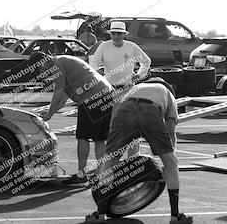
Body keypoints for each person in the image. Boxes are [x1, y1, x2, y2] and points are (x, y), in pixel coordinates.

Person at [85, 77, 193, 224]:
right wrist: (168, 164)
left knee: (110, 160)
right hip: (150, 109)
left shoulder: (136, 89)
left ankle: (100, 214)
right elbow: (171, 131)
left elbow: (117, 115)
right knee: (171, 162)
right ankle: (176, 217)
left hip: (124, 108)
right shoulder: (168, 94)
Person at [28, 52, 113, 185]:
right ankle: (100, 175)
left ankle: (82, 175)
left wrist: (49, 115)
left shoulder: (56, 65)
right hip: (106, 93)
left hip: (92, 97)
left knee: (83, 136)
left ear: (43, 62)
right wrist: (50, 114)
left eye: (39, 69)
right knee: (99, 138)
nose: (42, 72)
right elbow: (63, 98)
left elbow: (58, 93)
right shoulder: (62, 62)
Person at [89, 21, 151, 157]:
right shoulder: (104, 46)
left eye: (119, 33)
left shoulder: (132, 47)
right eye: (113, 33)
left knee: (132, 124)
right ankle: (111, 159)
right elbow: (93, 63)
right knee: (112, 125)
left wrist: (139, 75)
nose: (116, 36)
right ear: (110, 34)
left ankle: (133, 159)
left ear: (124, 35)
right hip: (110, 91)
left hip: (128, 90)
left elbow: (146, 62)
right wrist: (98, 77)